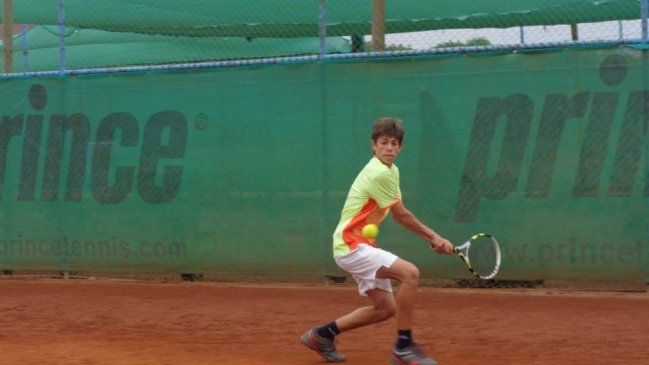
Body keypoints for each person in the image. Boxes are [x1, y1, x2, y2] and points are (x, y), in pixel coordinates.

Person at [300, 117, 454, 365]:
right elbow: (402, 215)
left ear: (400, 147)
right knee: (410, 274)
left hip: (357, 245)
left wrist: (432, 238)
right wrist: (435, 237)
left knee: (385, 309)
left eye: (394, 143)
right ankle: (403, 346)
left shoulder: (391, 171)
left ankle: (321, 335)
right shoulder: (378, 173)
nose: (390, 148)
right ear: (374, 145)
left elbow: (398, 212)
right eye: (384, 143)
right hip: (350, 245)